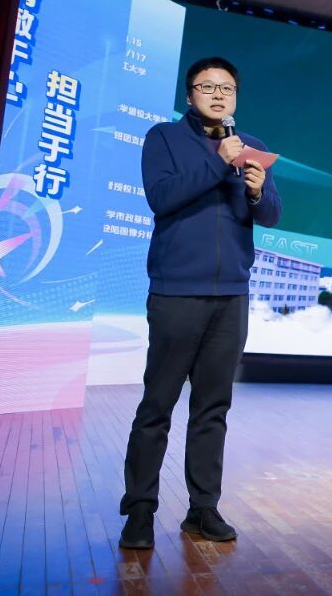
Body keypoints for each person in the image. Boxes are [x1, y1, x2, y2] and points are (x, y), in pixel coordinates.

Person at [118, 57, 282, 550]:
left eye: (226, 88)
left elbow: (271, 215)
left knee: (213, 409)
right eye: (207, 87)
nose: (217, 95)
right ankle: (140, 510)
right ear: (190, 94)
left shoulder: (250, 146)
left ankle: (202, 509)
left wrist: (258, 192)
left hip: (231, 296)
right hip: (176, 292)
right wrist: (218, 162)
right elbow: (162, 197)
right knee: (157, 406)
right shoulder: (164, 138)